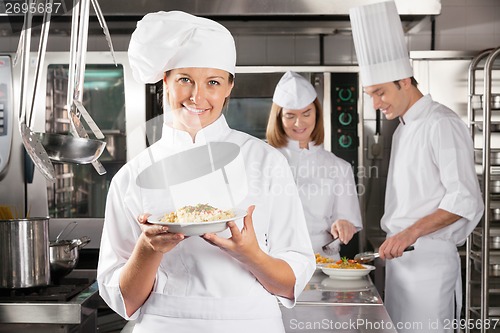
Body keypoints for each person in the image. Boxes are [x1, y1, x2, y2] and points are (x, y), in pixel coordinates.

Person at [97, 11, 315, 333]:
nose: (197, 96)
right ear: (165, 82)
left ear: (229, 88)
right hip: (165, 324)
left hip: (251, 323)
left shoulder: (267, 162)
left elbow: (289, 284)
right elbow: (125, 303)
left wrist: (250, 254)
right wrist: (148, 248)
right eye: (185, 79)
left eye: (212, 82)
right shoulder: (131, 177)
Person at [349, 2, 483, 332]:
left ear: (405, 81)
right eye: (371, 95)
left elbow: (463, 199)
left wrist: (409, 232)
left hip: (429, 265)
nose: (377, 105)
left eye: (380, 93)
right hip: (401, 262)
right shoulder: (405, 127)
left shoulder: (441, 123)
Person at [266, 71, 363, 259]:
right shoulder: (265, 160)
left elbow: (346, 218)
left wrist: (344, 224)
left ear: (317, 113)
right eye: (290, 116)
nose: (299, 122)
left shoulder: (338, 167)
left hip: (324, 258)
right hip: (276, 258)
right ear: (278, 117)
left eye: (306, 113)